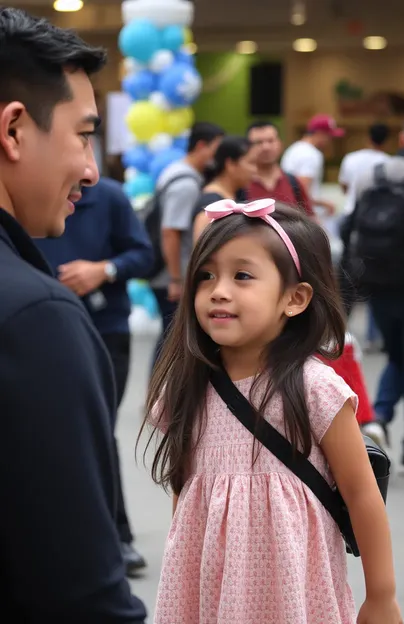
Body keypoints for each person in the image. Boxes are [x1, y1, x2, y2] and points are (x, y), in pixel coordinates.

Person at [141, 200, 401, 623]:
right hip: (206, 591)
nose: (218, 290)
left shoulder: (313, 388)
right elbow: (187, 493)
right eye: (206, 275)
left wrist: (382, 597)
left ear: (295, 299)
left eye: (242, 275)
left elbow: (362, 495)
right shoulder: (187, 387)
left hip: (291, 592)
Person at [0, 8, 146, 622]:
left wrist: (105, 271)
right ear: (13, 129)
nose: (89, 167)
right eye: (83, 135)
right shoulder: (35, 320)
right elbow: (81, 595)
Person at [35, 176, 153, 577]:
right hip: (37, 329)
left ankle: (117, 537)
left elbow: (143, 254)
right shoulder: (24, 195)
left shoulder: (109, 197)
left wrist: (103, 269)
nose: (85, 165)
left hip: (104, 331)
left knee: (97, 428)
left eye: (88, 136)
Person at [345, 111, 404, 475]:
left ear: (402, 139)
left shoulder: (376, 174)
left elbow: (350, 223)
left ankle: (381, 416)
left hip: (380, 283)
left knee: (400, 355)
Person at [150, 121, 224, 362]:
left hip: (170, 272)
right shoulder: (185, 184)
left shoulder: (176, 172)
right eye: (216, 149)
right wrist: (175, 279)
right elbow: (170, 231)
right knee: (171, 339)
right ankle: (158, 395)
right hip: (171, 275)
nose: (217, 157)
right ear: (201, 146)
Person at [339, 123, 391, 351]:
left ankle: (340, 332)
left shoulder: (351, 158)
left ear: (368, 137)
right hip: (378, 226)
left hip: (351, 221)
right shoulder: (388, 163)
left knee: (348, 278)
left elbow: (344, 186)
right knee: (376, 278)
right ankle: (373, 335)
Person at [193, 135, 257, 241]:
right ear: (230, 164)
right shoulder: (210, 204)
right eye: (251, 163)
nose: (255, 170)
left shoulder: (239, 193)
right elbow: (201, 250)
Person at [281, 114, 344, 218]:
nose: (330, 141)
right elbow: (302, 190)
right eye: (329, 136)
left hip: (290, 211)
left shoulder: (294, 148)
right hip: (302, 215)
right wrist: (323, 205)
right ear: (320, 133)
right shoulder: (311, 154)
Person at [245, 120, 314, 216]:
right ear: (248, 147)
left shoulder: (293, 182)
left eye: (271, 141)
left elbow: (310, 220)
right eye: (258, 142)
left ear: (280, 144)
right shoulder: (241, 185)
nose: (266, 147)